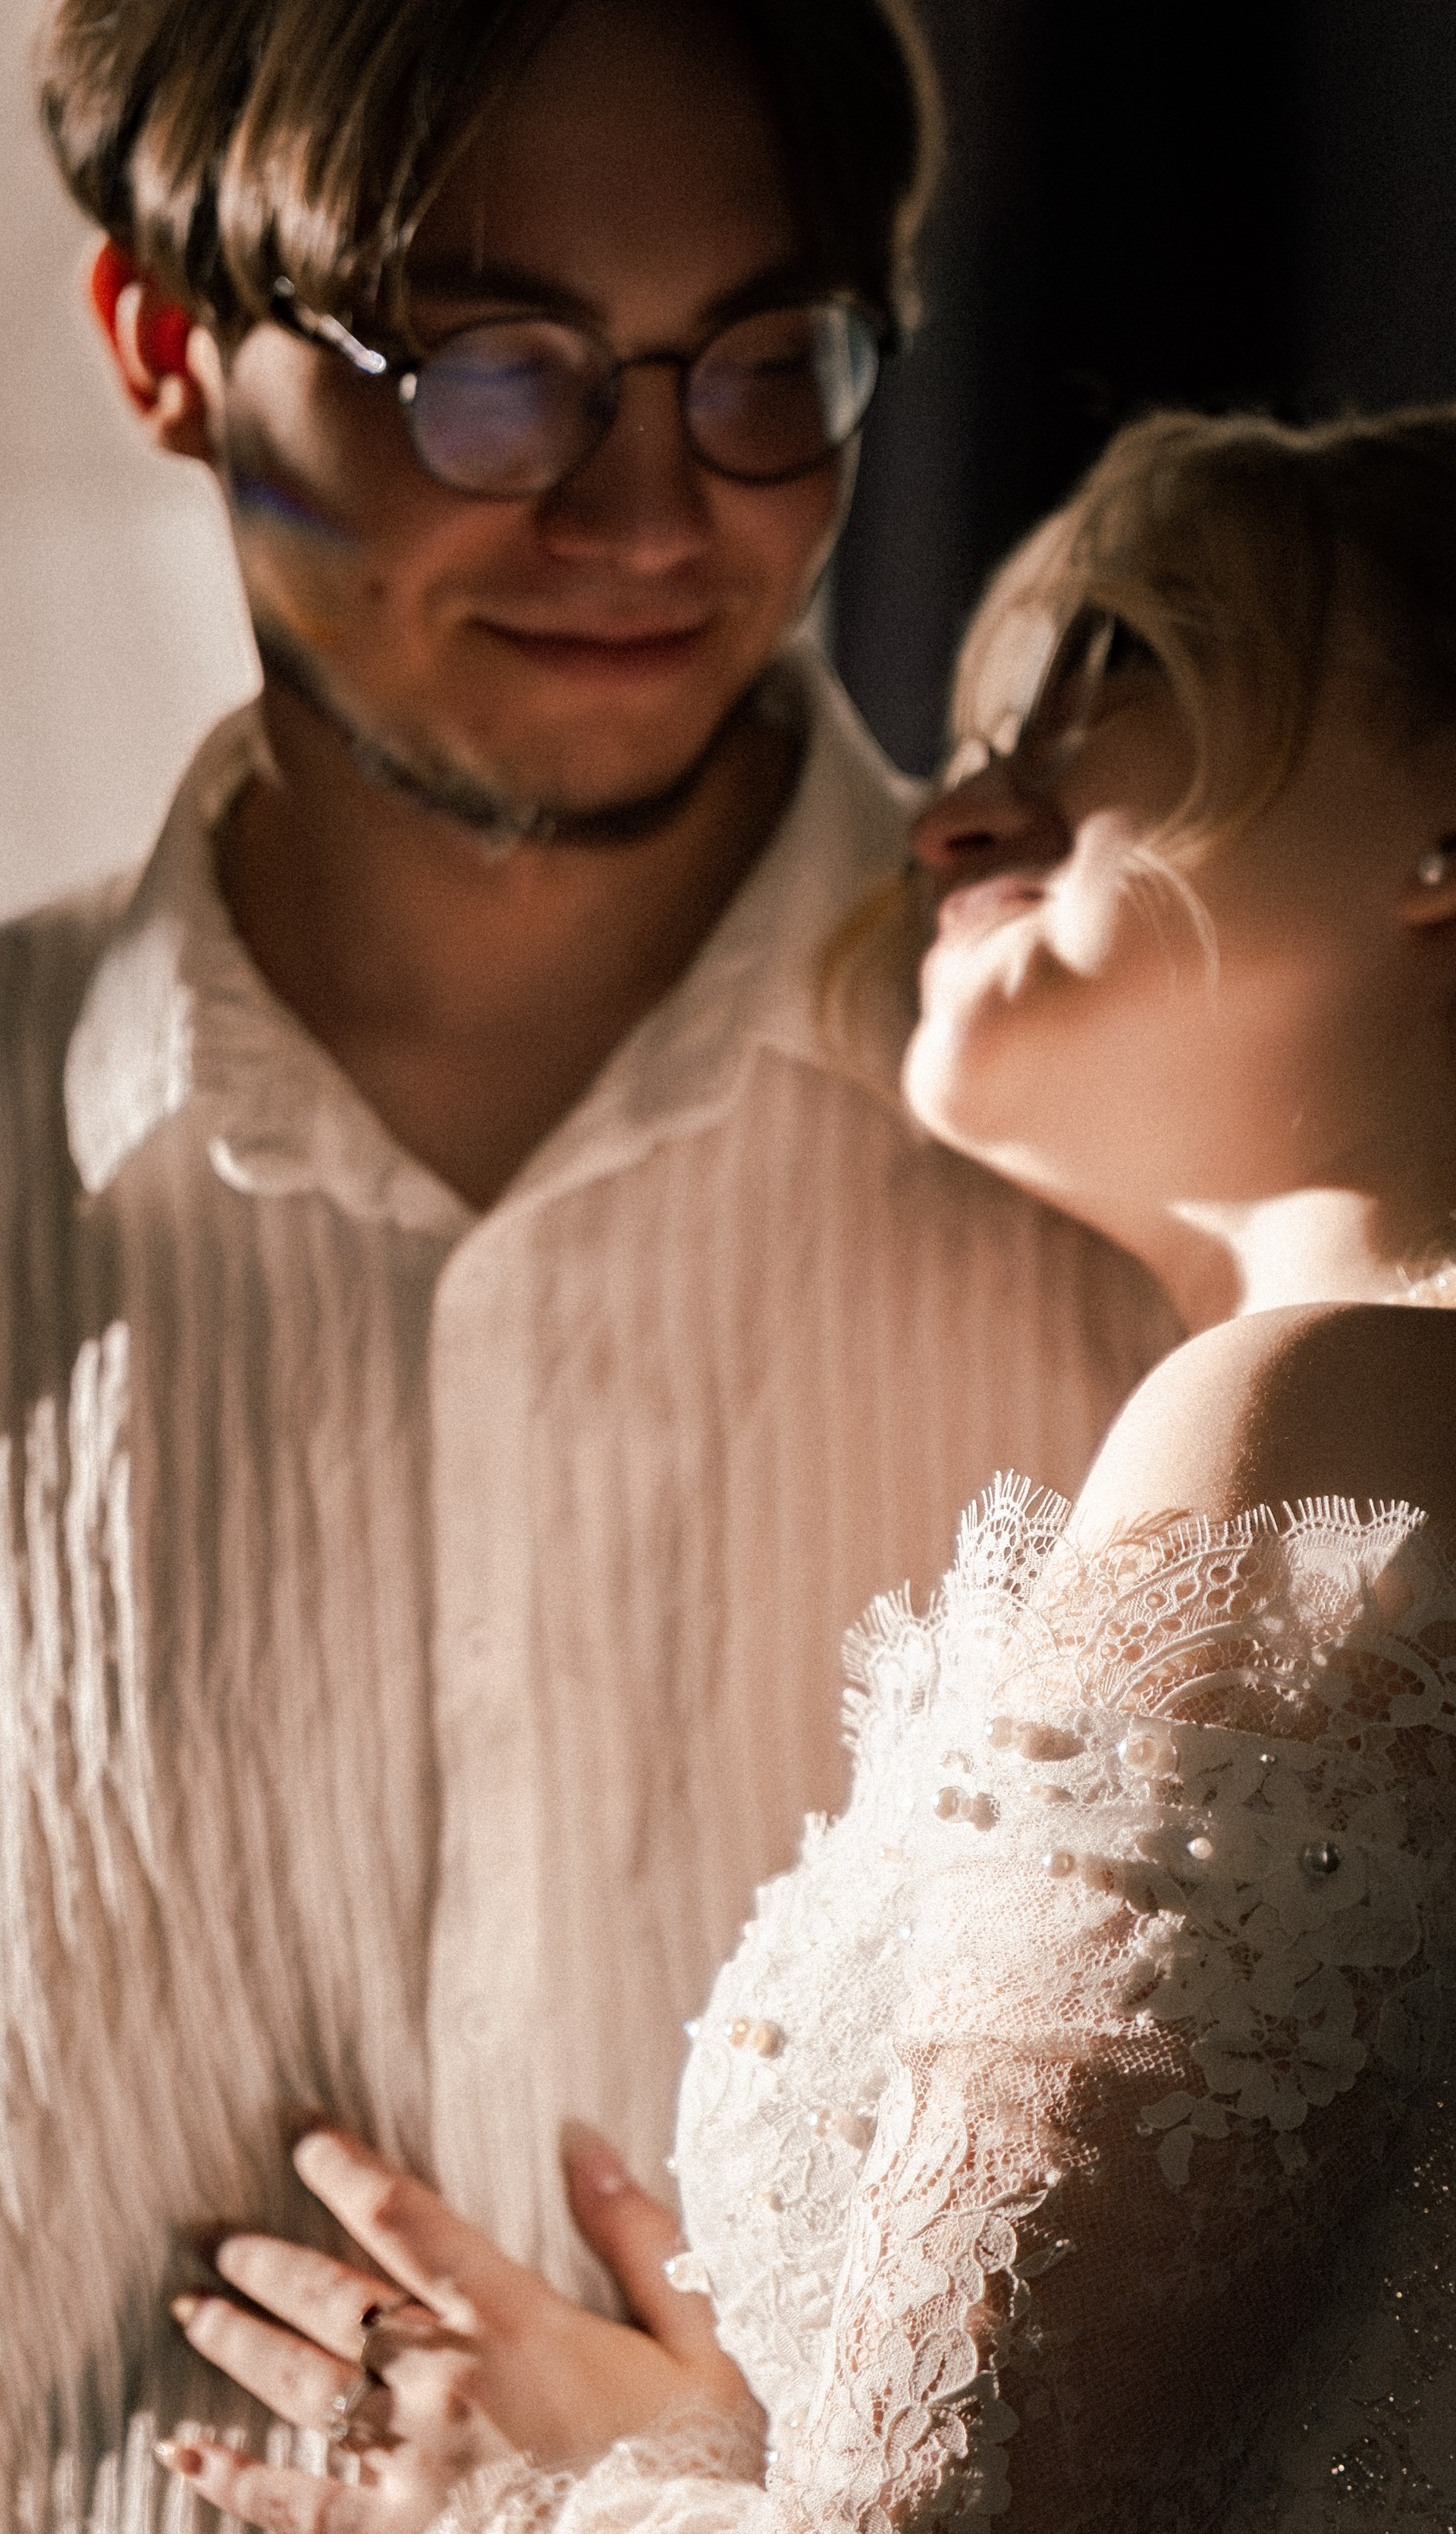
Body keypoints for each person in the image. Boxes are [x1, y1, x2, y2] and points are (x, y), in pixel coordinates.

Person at [2, 0, 1174, 2510]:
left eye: (764, 364)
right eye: (487, 370)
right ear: (164, 344)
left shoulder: (1180, 1208)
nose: (652, 519)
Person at [160, 400, 1456, 2532]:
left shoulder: (1306, 1426)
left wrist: (541, 2485)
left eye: (1119, 674)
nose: (953, 817)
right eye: (972, 738)